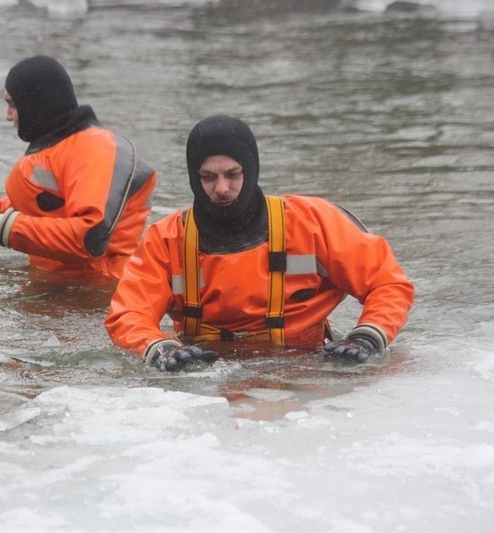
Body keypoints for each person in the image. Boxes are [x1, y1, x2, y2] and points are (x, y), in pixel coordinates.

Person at [104, 114, 414, 371]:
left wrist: (366, 339)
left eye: (233, 174)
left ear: (251, 170)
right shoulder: (165, 239)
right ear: (193, 177)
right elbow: (128, 315)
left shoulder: (313, 222)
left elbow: (387, 284)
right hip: (204, 371)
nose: (222, 188)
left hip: (309, 365)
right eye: (208, 177)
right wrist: (159, 349)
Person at [0, 55, 157, 279]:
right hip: (66, 287)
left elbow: (89, 237)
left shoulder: (94, 149)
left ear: (34, 104)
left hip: (100, 291)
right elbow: (47, 208)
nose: (8, 116)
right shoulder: (63, 146)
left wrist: (3, 227)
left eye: (11, 105)